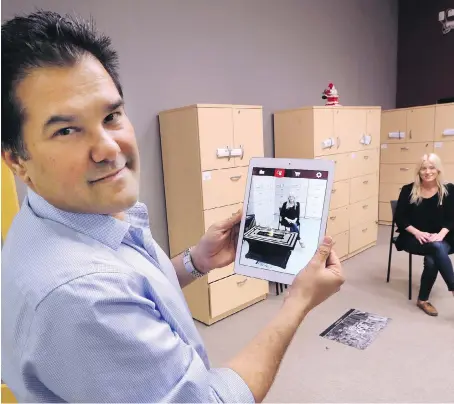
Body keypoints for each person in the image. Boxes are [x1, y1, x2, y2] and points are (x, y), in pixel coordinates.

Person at [1, 10, 345, 403]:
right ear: (16, 160)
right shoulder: (81, 297)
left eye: (111, 116)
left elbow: (131, 286)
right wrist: (298, 302)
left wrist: (195, 261)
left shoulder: (66, 214)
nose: (110, 149)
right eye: (66, 130)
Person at [394, 153, 454, 316]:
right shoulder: (408, 190)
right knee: (436, 249)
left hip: (442, 237)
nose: (427, 172)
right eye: (423, 168)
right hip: (413, 237)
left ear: (438, 169)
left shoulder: (448, 190)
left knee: (433, 256)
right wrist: (417, 232)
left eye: (431, 167)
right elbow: (400, 217)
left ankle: (423, 300)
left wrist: (441, 234)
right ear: (418, 171)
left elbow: (451, 218)